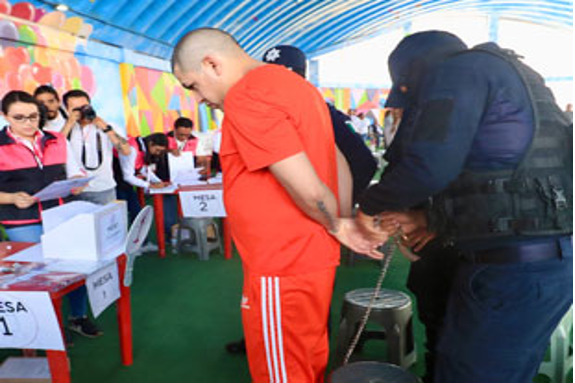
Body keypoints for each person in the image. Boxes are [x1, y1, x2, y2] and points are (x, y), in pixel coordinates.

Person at [357, 31, 573, 383]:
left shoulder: (456, 73)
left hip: (511, 272)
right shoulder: (513, 76)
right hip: (539, 267)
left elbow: (429, 166)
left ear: (418, 73)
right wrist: (429, 218)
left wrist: (368, 209)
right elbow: (503, 178)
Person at [172, 28, 385, 383]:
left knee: (282, 372)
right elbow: (340, 159)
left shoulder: (247, 95)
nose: (198, 98)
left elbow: (305, 183)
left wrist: (337, 223)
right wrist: (340, 221)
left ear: (212, 64)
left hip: (283, 262)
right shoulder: (297, 88)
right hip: (306, 256)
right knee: (305, 362)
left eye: (192, 85)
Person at [0, 91, 103, 339]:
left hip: (61, 215)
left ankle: (77, 317)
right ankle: (47, 328)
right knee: (37, 276)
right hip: (22, 220)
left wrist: (78, 182)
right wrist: (11, 197)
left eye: (34, 116)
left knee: (75, 267)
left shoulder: (57, 139)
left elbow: (75, 171)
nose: (28, 123)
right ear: (5, 116)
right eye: (20, 117)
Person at [262, 44, 378, 204]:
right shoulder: (265, 114)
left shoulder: (324, 113)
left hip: (316, 214)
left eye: (283, 80)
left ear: (301, 78)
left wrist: (337, 206)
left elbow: (364, 162)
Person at [64, 90, 131, 205]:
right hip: (73, 191)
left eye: (84, 107)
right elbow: (55, 150)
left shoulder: (107, 126)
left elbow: (126, 151)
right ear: (67, 110)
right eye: (75, 109)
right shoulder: (64, 128)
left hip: (103, 189)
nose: (81, 112)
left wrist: (105, 127)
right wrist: (69, 124)